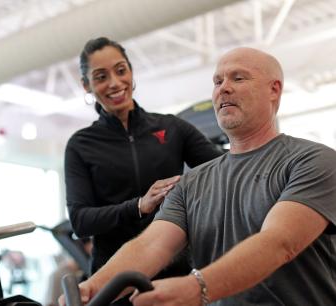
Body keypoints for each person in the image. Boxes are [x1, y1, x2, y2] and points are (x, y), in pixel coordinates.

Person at [60, 47, 336, 306]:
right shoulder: (191, 182)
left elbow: (279, 242)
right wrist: (93, 288)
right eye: (217, 82)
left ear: (274, 90)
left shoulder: (313, 161)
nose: (224, 88)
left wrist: (196, 287)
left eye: (238, 78)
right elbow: (151, 245)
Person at [64, 36, 223, 287]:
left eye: (120, 70)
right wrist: (138, 205)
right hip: (114, 282)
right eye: (101, 76)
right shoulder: (81, 144)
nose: (115, 83)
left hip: (174, 274)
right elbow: (81, 221)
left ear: (130, 70)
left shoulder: (172, 128)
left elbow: (223, 167)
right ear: (86, 85)